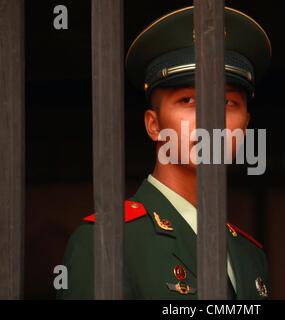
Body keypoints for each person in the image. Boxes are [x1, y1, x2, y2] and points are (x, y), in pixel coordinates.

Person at [58, 5, 271, 300]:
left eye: (226, 103)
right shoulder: (107, 241)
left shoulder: (250, 254)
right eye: (188, 100)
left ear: (245, 127)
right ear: (154, 125)